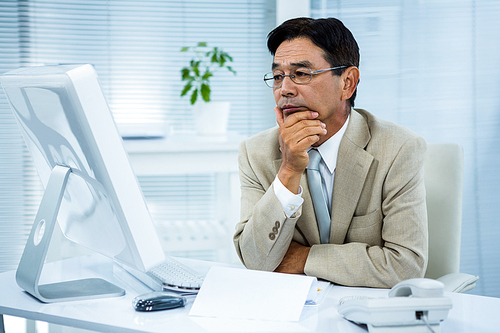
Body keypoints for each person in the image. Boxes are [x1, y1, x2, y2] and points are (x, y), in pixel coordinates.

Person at [233, 17, 428, 288]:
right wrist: (289, 171)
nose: (285, 90)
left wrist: (304, 258)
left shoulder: (399, 148)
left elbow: (405, 267)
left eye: (301, 74)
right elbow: (256, 260)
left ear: (347, 82)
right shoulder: (256, 153)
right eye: (278, 76)